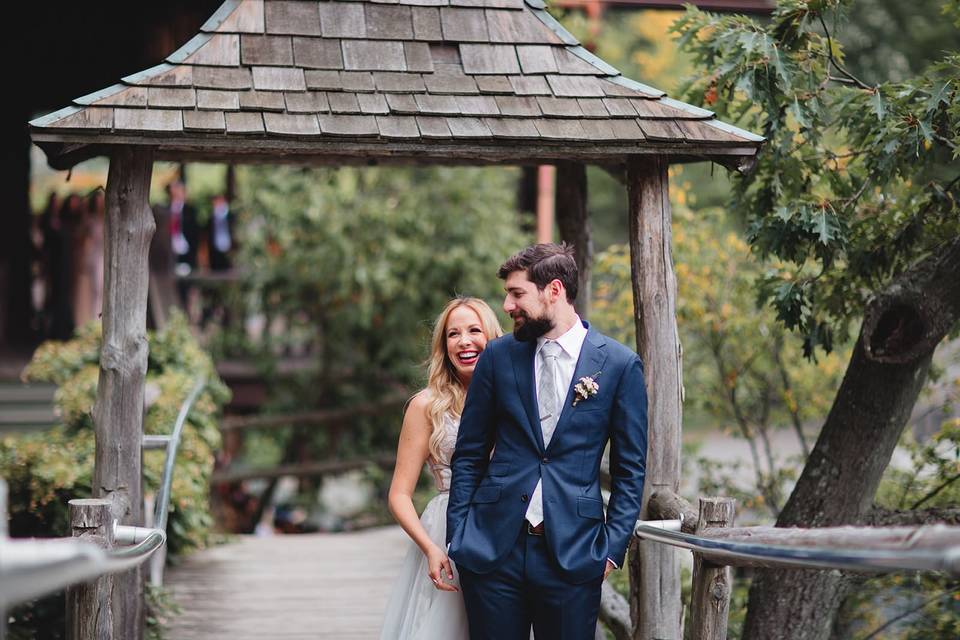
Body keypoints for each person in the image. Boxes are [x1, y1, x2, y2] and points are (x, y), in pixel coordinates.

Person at [446, 243, 649, 639]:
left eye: (517, 293)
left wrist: (610, 550)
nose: (507, 305)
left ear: (553, 290)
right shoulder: (498, 357)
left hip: (573, 553)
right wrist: (459, 535)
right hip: (491, 551)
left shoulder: (620, 366)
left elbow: (630, 469)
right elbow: (469, 453)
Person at [380, 297, 504, 640]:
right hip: (449, 532)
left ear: (492, 338)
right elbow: (399, 494)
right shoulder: (425, 406)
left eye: (474, 330)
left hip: (504, 526)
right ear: (443, 346)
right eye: (453, 334)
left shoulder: (512, 397)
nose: (463, 340)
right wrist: (431, 548)